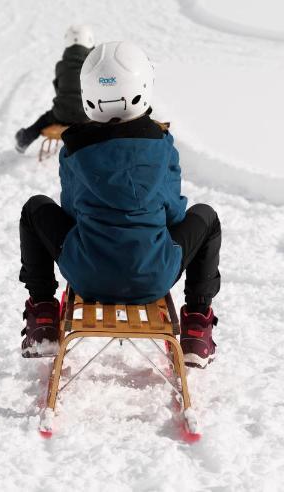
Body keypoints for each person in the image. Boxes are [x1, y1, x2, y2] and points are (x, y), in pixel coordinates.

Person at [18, 40, 221, 367]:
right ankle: (196, 326)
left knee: (34, 209)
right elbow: (174, 213)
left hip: (87, 276)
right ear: (143, 86)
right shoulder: (161, 144)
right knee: (206, 217)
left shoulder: (74, 148)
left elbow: (70, 212)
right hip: (154, 275)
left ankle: (42, 318)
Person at [14, 24, 95, 153]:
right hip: (88, 115)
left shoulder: (61, 65)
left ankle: (25, 138)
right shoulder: (94, 65)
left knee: (45, 119)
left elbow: (58, 90)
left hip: (62, 114)